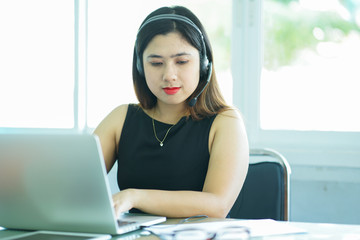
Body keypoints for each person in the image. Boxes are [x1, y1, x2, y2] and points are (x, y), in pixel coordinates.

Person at [94, 5, 249, 219]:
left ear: (204, 65)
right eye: (156, 63)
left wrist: (135, 197)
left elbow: (217, 205)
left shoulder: (226, 122)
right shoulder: (121, 118)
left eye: (182, 62)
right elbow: (75, 181)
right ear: (140, 67)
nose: (169, 75)